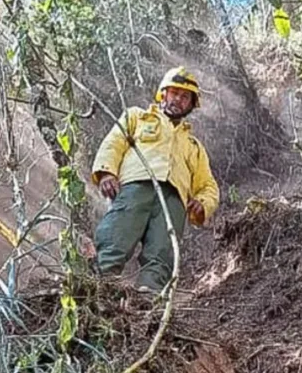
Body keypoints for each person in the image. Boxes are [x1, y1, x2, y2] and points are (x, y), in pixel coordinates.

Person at [90, 66, 220, 293]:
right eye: (174, 93)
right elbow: (114, 143)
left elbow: (208, 186)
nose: (178, 100)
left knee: (162, 254)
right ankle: (100, 290)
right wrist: (106, 172)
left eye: (185, 97)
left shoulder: (194, 147)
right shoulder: (136, 117)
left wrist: (202, 204)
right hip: (135, 187)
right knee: (116, 236)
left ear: (191, 105)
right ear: (163, 93)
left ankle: (147, 303)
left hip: (173, 203)